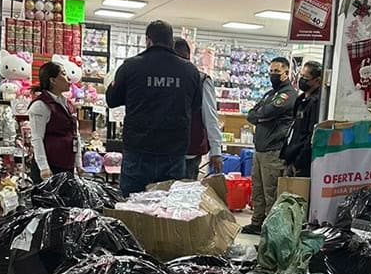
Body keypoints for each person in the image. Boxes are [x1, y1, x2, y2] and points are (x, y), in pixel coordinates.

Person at [106, 20, 201, 195]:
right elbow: (195, 106)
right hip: (174, 151)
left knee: (131, 206)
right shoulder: (190, 71)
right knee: (167, 210)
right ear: (171, 41)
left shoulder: (131, 66)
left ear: (148, 40)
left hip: (138, 149)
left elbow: (111, 100)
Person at [243, 57, 297, 234]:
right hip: (260, 149)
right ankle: (257, 222)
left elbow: (268, 111)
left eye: (277, 71)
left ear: (286, 73)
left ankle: (269, 228)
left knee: (271, 191)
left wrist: (262, 115)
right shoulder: (268, 94)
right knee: (257, 189)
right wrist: (262, 116)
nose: (273, 75)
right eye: (271, 71)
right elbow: (251, 115)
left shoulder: (288, 94)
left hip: (274, 150)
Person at [173, 38, 224, 177]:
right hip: (166, 151)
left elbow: (210, 117)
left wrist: (216, 151)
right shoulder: (167, 79)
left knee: (184, 193)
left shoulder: (201, 80)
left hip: (189, 150)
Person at [28, 60, 83, 183]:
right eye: (63, 74)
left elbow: (76, 135)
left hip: (67, 165)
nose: (68, 78)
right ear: (52, 80)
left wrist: (78, 162)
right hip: (50, 167)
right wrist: (44, 168)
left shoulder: (68, 104)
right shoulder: (40, 105)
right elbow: (37, 138)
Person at [281, 61, 323, 177]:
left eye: (306, 77)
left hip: (301, 163)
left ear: (317, 80)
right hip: (291, 156)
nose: (302, 80)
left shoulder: (315, 103)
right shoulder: (301, 100)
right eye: (301, 76)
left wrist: (299, 161)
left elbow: (311, 135)